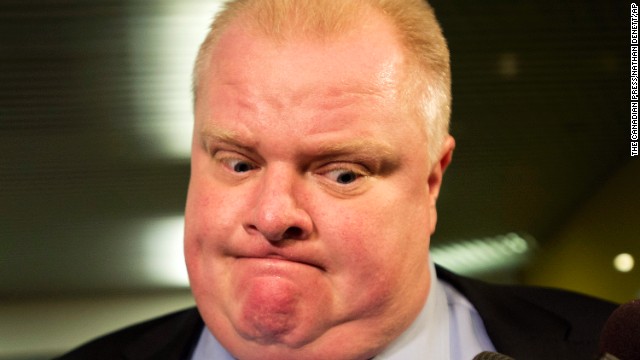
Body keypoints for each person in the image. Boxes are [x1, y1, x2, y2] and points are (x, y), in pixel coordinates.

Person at [57, 0, 616, 359]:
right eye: (238, 163)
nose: (273, 216)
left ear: (430, 183)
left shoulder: (602, 346)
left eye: (342, 173)